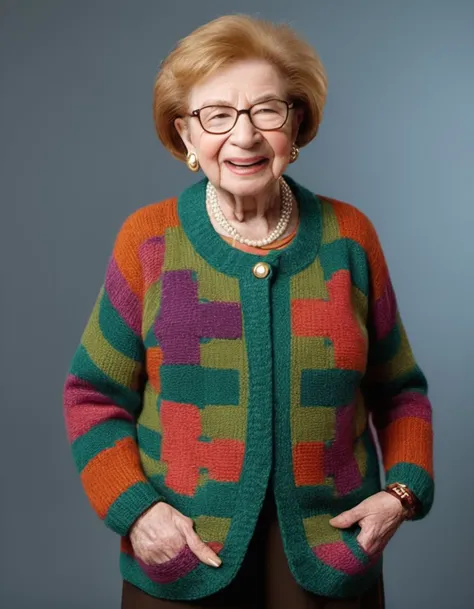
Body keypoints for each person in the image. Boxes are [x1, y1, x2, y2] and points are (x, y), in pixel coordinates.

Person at [63, 14, 434, 609]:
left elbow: (402, 393)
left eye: (267, 110)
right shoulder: (149, 241)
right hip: (181, 559)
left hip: (330, 559)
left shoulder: (349, 238)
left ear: (297, 124)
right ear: (185, 134)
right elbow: (92, 397)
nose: (244, 136)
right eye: (217, 114)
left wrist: (402, 492)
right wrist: (136, 511)